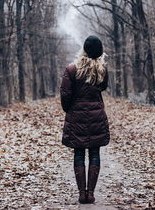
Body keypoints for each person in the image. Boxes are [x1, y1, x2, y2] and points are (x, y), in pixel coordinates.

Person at [60, 35, 110, 204]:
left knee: (79, 153)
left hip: (77, 115)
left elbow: (65, 96)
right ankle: (91, 193)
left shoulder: (72, 69)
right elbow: (103, 88)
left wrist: (70, 110)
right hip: (96, 114)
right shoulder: (102, 69)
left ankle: (82, 193)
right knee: (95, 153)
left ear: (84, 49)